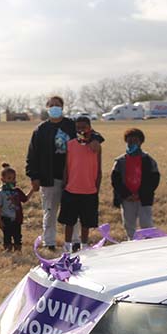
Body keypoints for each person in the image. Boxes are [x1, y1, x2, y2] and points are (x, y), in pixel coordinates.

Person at [25, 96, 104, 250]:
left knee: (73, 213)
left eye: (58, 105)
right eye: (52, 105)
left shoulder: (71, 125)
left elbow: (90, 132)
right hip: (49, 177)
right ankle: (49, 242)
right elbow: (32, 155)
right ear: (47, 107)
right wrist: (33, 176)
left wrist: (95, 139)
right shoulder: (41, 130)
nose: (55, 107)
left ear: (62, 107)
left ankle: (74, 241)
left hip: (73, 177)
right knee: (50, 211)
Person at [58, 116, 101, 251]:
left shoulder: (95, 146)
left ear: (89, 128)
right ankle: (67, 245)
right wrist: (65, 183)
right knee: (69, 221)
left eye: (84, 127)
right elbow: (66, 166)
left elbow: (99, 168)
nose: (81, 130)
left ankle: (84, 245)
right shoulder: (70, 145)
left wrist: (97, 187)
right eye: (78, 127)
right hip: (71, 189)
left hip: (89, 190)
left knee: (86, 223)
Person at [111, 127, 161, 240]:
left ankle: (149, 246)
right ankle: (132, 246)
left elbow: (154, 180)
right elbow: (115, 180)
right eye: (129, 141)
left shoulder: (148, 160)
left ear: (141, 142)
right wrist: (126, 194)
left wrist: (141, 194)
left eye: (135, 141)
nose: (132, 143)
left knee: (146, 224)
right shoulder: (120, 161)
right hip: (127, 198)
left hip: (144, 198)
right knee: (129, 225)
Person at [0, 163, 34, 252]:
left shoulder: (17, 191)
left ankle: (17, 251)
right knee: (7, 236)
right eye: (9, 178)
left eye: (13, 178)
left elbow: (25, 198)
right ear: (2, 179)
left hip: (17, 218)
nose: (12, 181)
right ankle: (7, 250)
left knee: (17, 236)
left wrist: (32, 190)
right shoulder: (1, 193)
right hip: (6, 218)